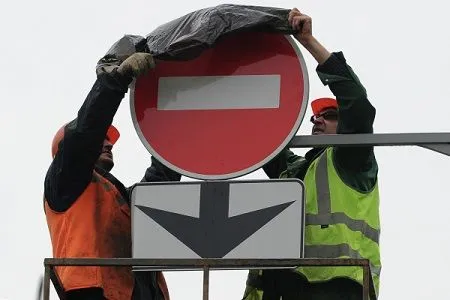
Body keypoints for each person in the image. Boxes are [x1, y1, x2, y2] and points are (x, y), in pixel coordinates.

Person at [243, 8, 381, 300]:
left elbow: (357, 102)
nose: (317, 120)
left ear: (346, 127)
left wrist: (308, 42)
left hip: (336, 285)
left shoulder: (352, 161)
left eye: (329, 115)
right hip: (285, 286)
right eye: (315, 118)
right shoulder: (295, 169)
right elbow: (257, 137)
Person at [43, 52, 181, 300]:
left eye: (109, 139)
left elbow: (157, 188)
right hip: (93, 293)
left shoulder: (118, 201)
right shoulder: (66, 181)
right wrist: (116, 81)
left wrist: (175, 133)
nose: (109, 144)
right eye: (102, 139)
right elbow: (86, 131)